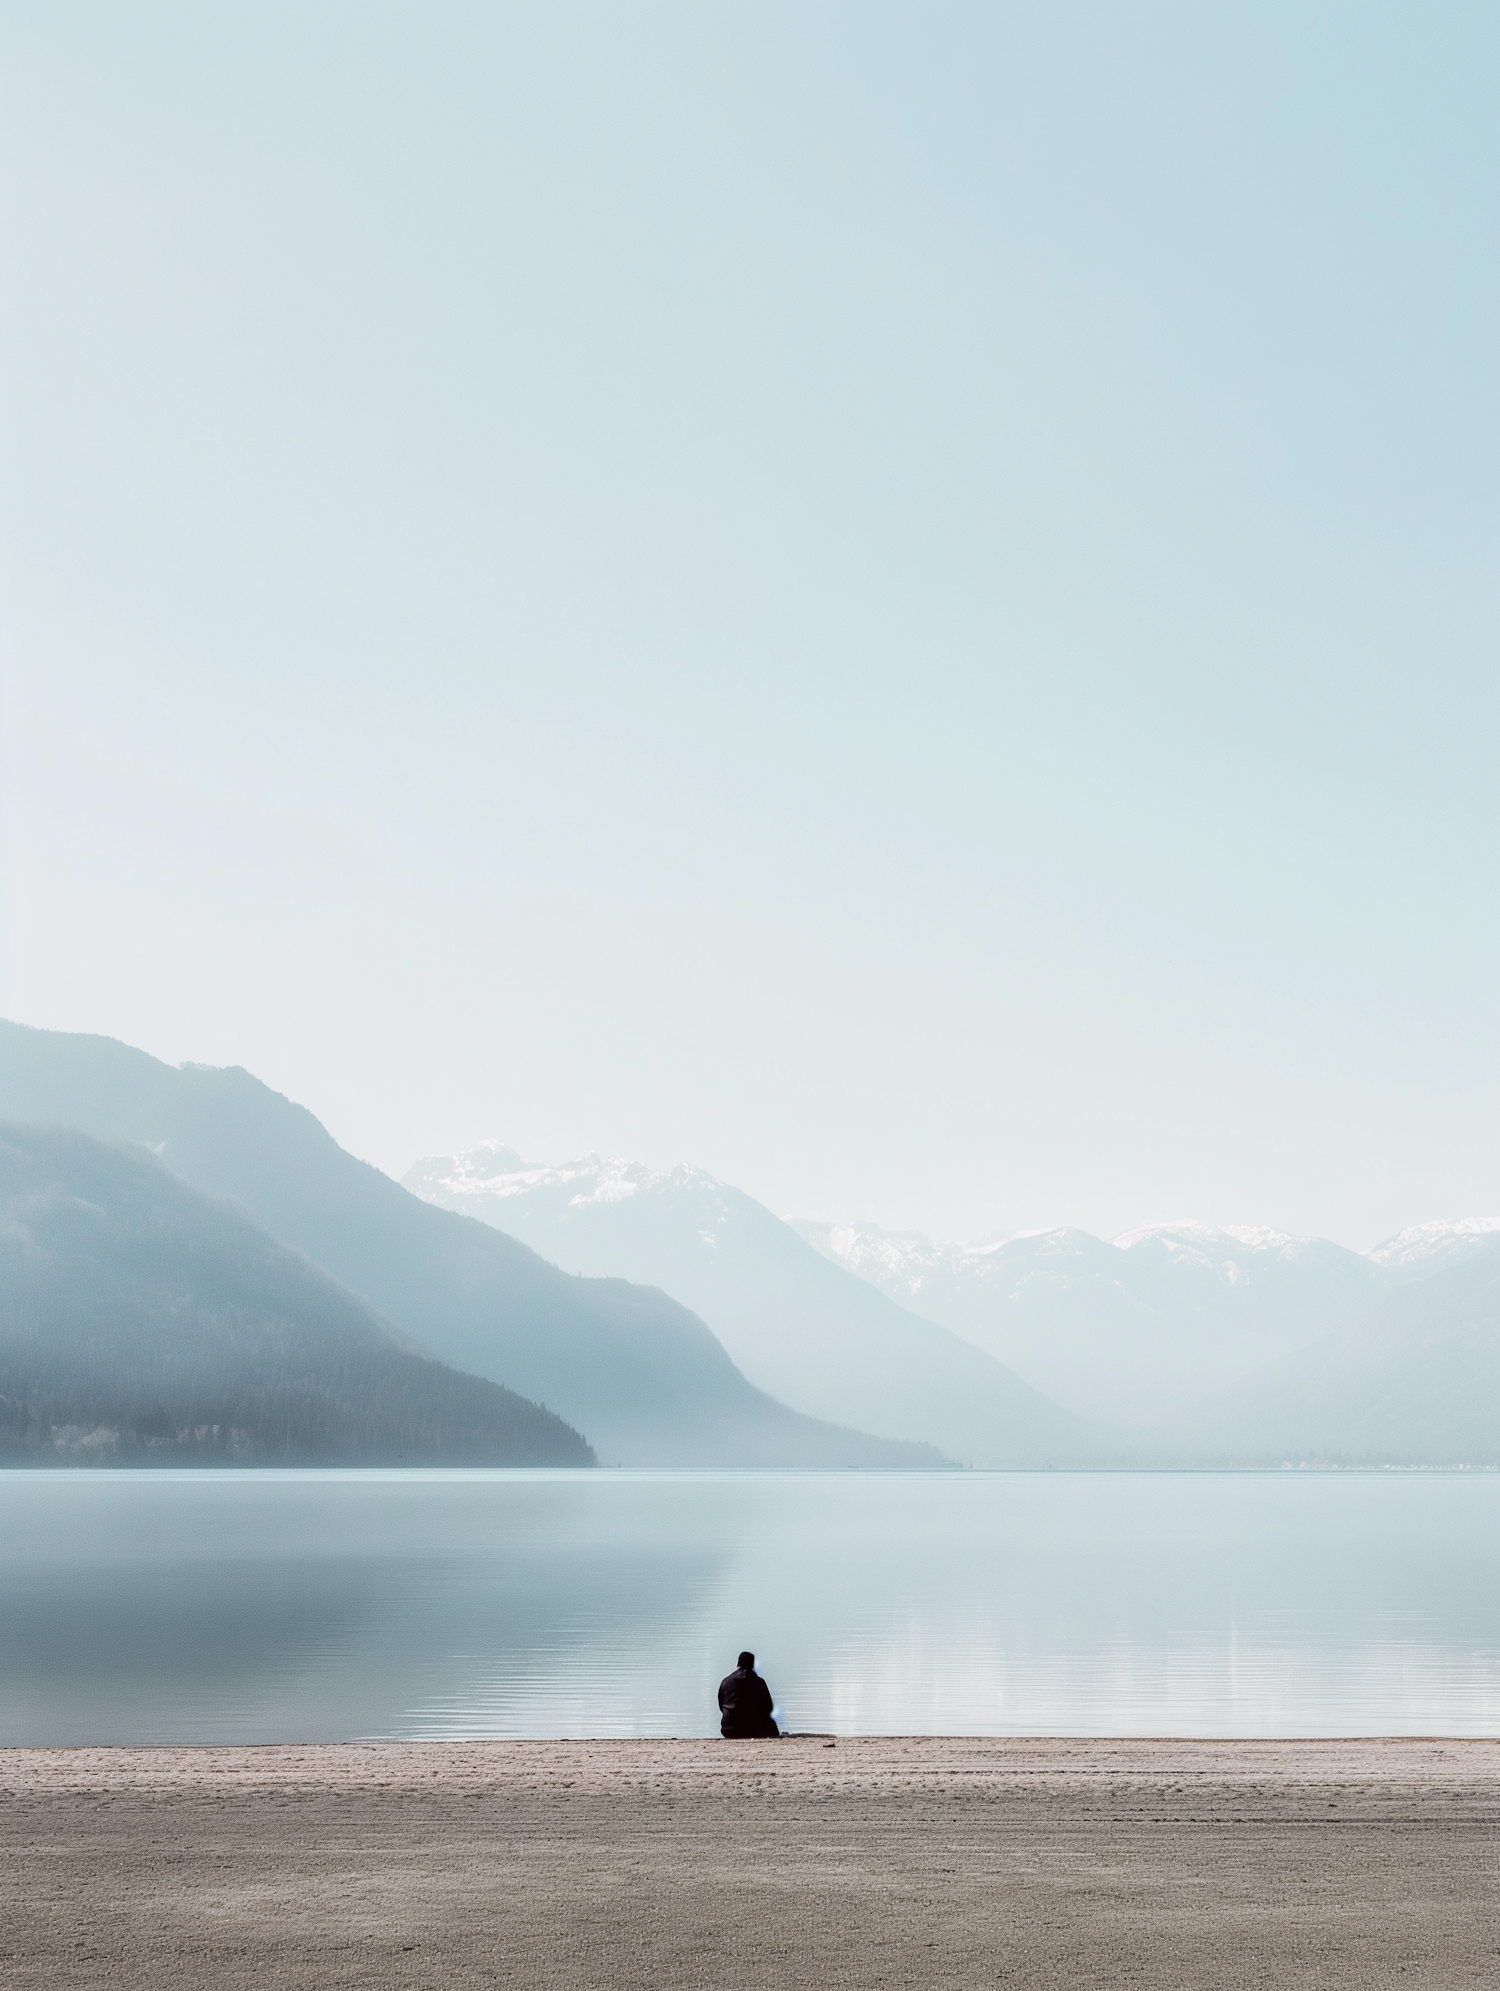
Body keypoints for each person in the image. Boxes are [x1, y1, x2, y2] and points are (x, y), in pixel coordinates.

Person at [718, 1650, 779, 1738]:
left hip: (730, 1729)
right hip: (755, 1729)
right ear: (753, 1664)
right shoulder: (759, 1682)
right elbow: (769, 1706)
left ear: (738, 1662)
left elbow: (721, 1706)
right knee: (772, 1727)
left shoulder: (726, 1681)